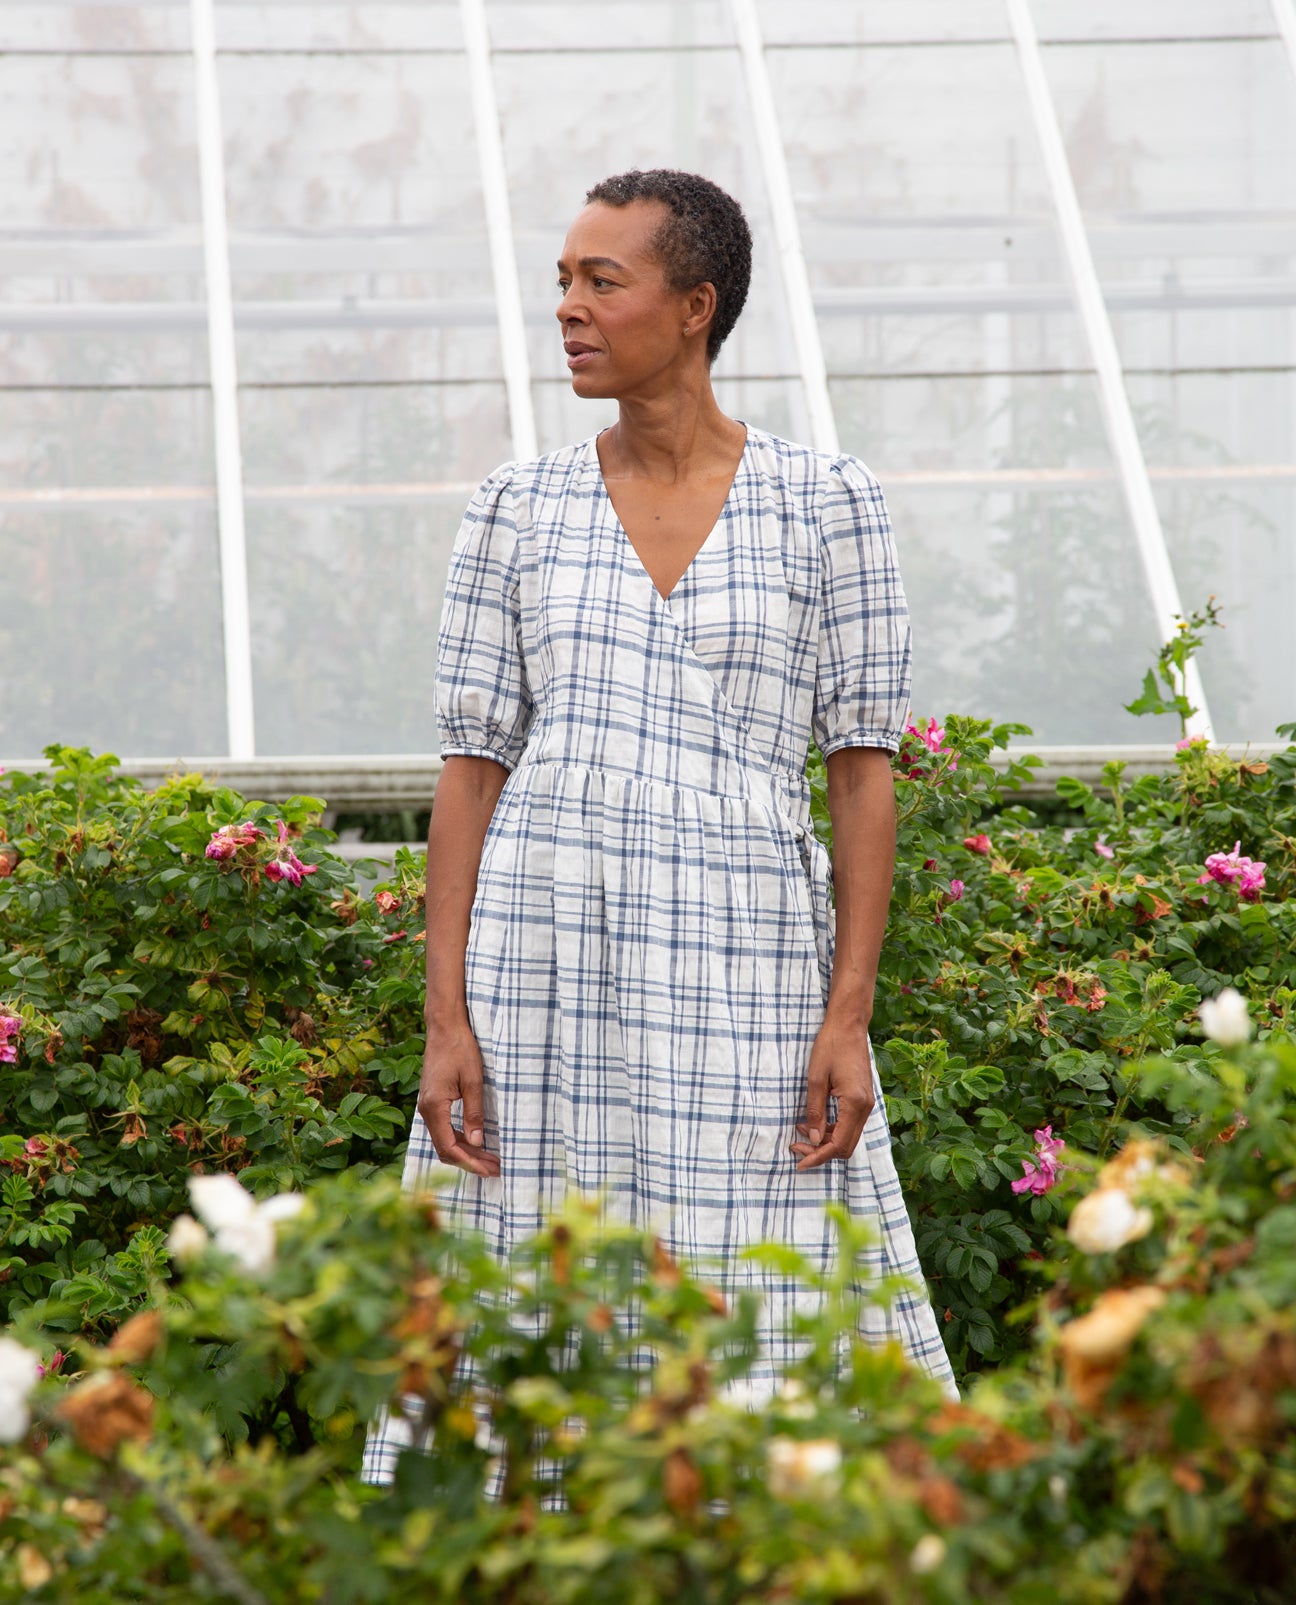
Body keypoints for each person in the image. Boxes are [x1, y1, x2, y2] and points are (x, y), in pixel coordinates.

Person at [363, 169, 953, 1482]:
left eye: (600, 281)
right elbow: (471, 768)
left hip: (746, 959)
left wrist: (847, 1013)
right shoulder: (513, 510)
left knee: (761, 1278)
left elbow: (861, 770)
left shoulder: (826, 502)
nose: (568, 307)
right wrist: (446, 1016)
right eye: (562, 282)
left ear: (695, 306)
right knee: (527, 1276)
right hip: (544, 960)